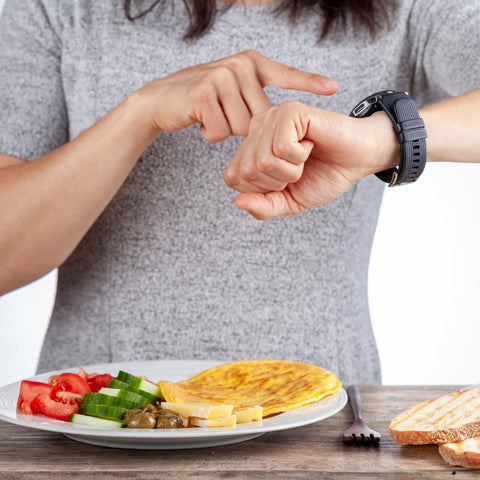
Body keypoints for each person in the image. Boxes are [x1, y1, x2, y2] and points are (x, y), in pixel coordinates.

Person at [0, 0, 478, 384]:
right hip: (97, 422)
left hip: (320, 426)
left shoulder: (409, 8)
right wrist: (138, 114)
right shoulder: (57, 8)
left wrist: (384, 138)